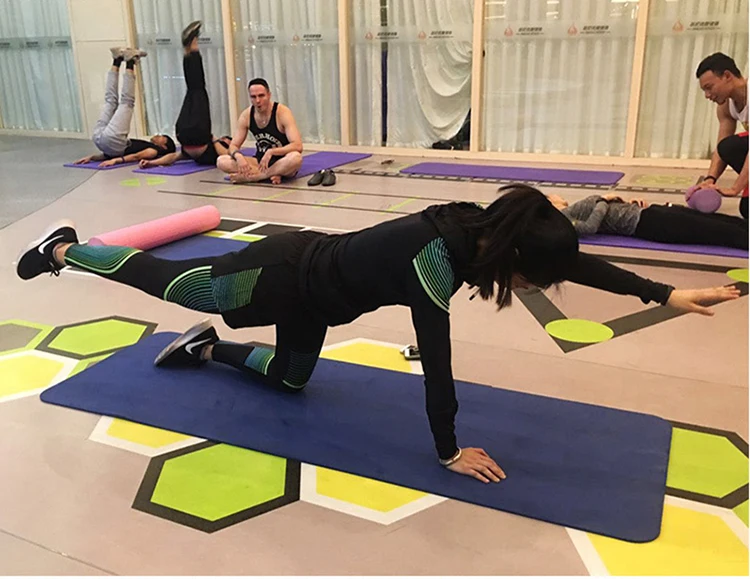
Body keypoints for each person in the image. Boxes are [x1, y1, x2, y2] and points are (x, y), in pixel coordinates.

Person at [15, 185, 739, 484]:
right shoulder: (435, 260)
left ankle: (206, 347)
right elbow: (438, 363)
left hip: (314, 292)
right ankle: (64, 249)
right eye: (531, 277)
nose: (532, 285)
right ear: (512, 256)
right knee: (167, 280)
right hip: (275, 275)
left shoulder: (485, 227)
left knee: (291, 379)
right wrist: (448, 449)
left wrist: (665, 292)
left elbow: (573, 260)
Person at [139, 21, 232, 170]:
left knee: (198, 87)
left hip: (197, 133)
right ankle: (188, 48)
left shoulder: (215, 148)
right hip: (183, 133)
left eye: (227, 140)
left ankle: (192, 46)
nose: (225, 138)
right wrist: (152, 163)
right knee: (193, 88)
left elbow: (227, 155)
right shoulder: (188, 153)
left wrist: (214, 139)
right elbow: (173, 157)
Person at [73, 47, 176, 168]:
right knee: (111, 101)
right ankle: (116, 60)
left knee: (127, 102)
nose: (158, 135)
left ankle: (130, 61)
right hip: (101, 139)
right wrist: (91, 157)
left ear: (164, 147)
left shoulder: (154, 151)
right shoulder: (148, 145)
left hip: (111, 140)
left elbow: (135, 156)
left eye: (162, 138)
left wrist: (116, 161)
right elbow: (112, 151)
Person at [548, 193, 748, 250]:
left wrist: (628, 202)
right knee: (718, 231)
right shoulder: (564, 217)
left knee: (718, 220)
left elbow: (609, 213)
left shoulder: (573, 208)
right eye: (551, 196)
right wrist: (602, 202)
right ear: (549, 203)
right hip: (650, 225)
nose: (556, 195)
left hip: (649, 212)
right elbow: (590, 228)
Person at [216, 78, 303, 184]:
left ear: (269, 95)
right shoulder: (246, 115)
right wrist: (238, 156)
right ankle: (272, 174)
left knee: (295, 158)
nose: (257, 101)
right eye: (253, 97)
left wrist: (272, 151)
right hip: (260, 162)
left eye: (261, 96)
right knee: (222, 161)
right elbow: (233, 145)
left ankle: (256, 177)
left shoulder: (282, 113)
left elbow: (297, 146)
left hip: (282, 160)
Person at [693, 53, 748, 219]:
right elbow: (720, 148)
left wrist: (736, 188)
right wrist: (710, 179)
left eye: (709, 87)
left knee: (731, 146)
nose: (707, 95)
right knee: (747, 210)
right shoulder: (725, 106)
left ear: (727, 76)